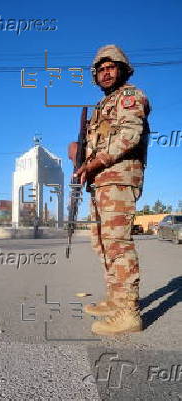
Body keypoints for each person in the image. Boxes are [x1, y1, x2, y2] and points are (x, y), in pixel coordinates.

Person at [74, 45, 151, 335]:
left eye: (111, 67)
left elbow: (130, 135)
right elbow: (95, 145)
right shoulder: (101, 107)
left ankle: (128, 313)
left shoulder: (130, 97)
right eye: (101, 69)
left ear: (122, 70)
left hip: (119, 178)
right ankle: (115, 300)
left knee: (118, 243)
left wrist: (98, 161)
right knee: (102, 243)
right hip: (100, 181)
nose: (106, 72)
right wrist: (78, 154)